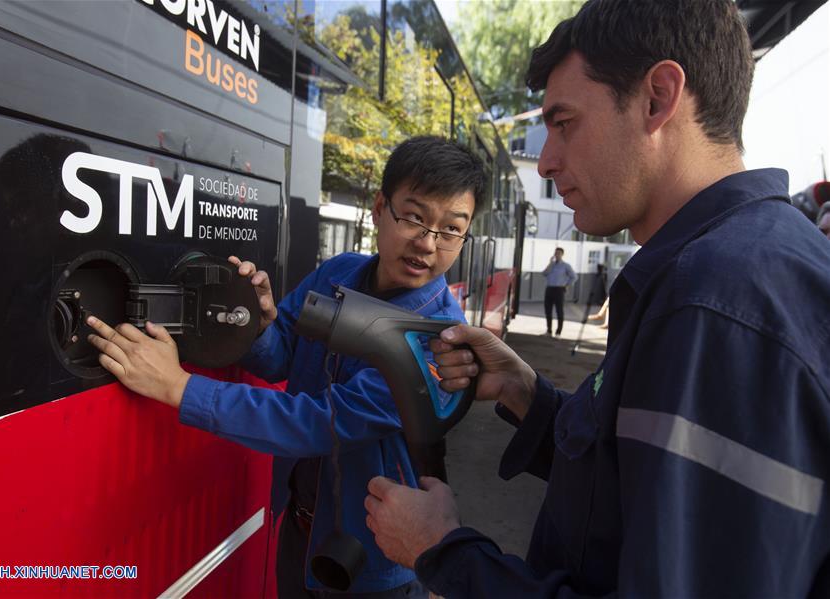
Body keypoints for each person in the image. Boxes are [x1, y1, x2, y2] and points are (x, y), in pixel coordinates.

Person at [363, 1, 830, 596]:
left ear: (658, 98)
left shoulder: (712, 305)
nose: (550, 161)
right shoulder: (729, 268)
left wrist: (444, 553)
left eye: (563, 123)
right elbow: (634, 485)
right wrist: (524, 391)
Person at [84, 136, 485, 597]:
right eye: (414, 217)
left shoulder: (442, 344)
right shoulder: (338, 273)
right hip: (300, 531)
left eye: (451, 229)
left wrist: (180, 388)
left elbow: (320, 422)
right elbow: (282, 356)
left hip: (371, 566)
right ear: (379, 207)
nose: (428, 243)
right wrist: (255, 323)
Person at [541, 247, 577, 335]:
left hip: (559, 289)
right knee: (548, 310)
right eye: (555, 253)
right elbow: (544, 273)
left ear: (562, 254)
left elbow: (574, 277)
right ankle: (549, 330)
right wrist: (550, 263)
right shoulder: (551, 265)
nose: (556, 255)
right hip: (549, 288)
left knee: (559, 310)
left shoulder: (566, 266)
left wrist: (566, 285)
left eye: (558, 253)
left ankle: (558, 332)